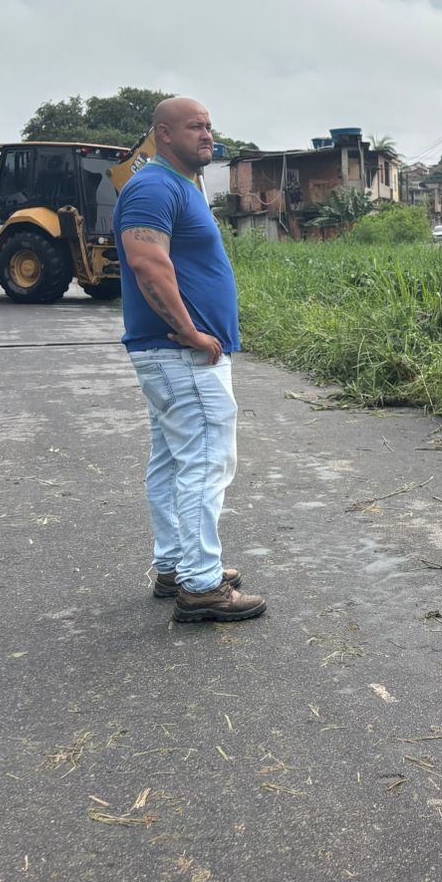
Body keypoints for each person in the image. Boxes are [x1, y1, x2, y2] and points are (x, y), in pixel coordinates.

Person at [117, 97, 266, 624]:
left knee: (173, 461)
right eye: (194, 127)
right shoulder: (154, 187)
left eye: (208, 126)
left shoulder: (180, 185)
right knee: (204, 462)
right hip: (180, 354)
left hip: (173, 356)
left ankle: (175, 565)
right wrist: (189, 331)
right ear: (163, 133)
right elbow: (147, 263)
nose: (207, 135)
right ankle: (201, 585)